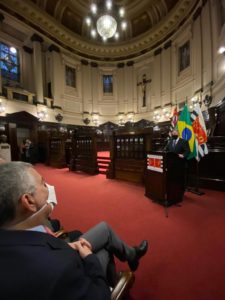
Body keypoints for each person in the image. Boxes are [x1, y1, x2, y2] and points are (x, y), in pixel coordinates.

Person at [0, 162, 148, 300]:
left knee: (104, 230)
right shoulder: (54, 268)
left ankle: (129, 257)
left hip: (62, 251)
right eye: (42, 183)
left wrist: (67, 245)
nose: (48, 187)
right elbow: (98, 295)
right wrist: (90, 258)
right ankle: (118, 281)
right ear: (29, 201)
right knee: (105, 251)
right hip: (75, 271)